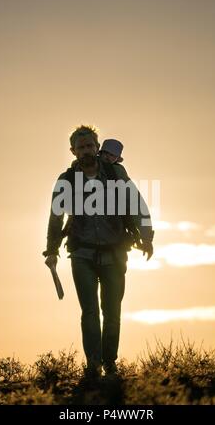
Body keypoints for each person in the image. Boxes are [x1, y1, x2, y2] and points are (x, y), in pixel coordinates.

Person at [43, 125, 154, 378]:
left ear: (97, 146)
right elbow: (55, 217)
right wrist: (51, 250)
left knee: (112, 311)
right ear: (73, 151)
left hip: (115, 253)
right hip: (81, 254)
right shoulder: (67, 180)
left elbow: (138, 206)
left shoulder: (115, 174)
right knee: (90, 311)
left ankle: (110, 363)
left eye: (90, 146)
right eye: (81, 147)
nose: (86, 151)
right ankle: (93, 365)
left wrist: (146, 237)